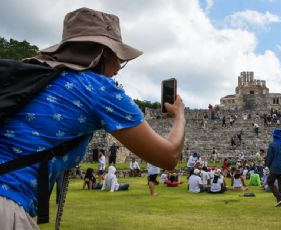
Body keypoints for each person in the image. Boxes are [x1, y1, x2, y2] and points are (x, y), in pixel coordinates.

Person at [0, 8, 185, 227]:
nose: (118, 69)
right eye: (118, 59)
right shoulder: (97, 89)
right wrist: (179, 115)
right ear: (102, 54)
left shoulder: (33, 76)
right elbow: (169, 156)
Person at [266, 128, 281, 207]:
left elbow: (269, 157)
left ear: (274, 136)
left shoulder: (272, 145)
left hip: (275, 167)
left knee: (270, 182)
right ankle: (280, 202)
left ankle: (279, 197)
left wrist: (268, 165)